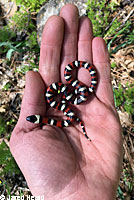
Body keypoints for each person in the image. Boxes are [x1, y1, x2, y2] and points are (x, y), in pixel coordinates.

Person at [10, 4, 123, 200]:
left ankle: (83, 76)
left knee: (73, 88)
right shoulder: (59, 113)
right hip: (72, 95)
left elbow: (63, 100)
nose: (33, 119)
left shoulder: (58, 103)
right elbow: (64, 110)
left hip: (72, 92)